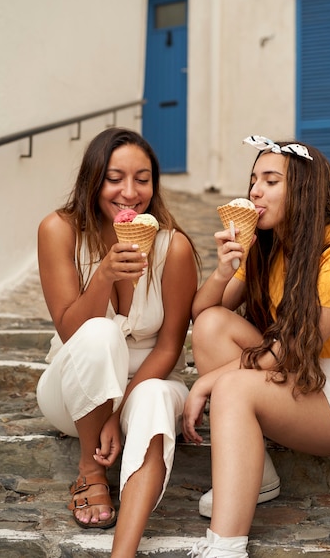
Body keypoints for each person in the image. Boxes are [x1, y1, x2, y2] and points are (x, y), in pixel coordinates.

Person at [183, 136, 330, 558]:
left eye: (270, 181)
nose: (254, 190)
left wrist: (209, 383)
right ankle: (260, 478)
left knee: (234, 387)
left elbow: (294, 349)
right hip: (305, 378)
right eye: (254, 179)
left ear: (306, 190)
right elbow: (202, 314)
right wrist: (224, 270)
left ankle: (226, 548)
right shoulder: (267, 248)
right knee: (212, 326)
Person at [36, 127, 199, 558]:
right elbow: (72, 331)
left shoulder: (173, 248)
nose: (130, 192)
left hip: (144, 383)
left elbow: (168, 348)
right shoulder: (59, 230)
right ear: (93, 179)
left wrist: (117, 410)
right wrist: (104, 275)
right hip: (71, 394)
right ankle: (90, 470)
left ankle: (122, 551)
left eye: (143, 179)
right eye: (115, 178)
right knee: (100, 330)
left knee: (154, 397)